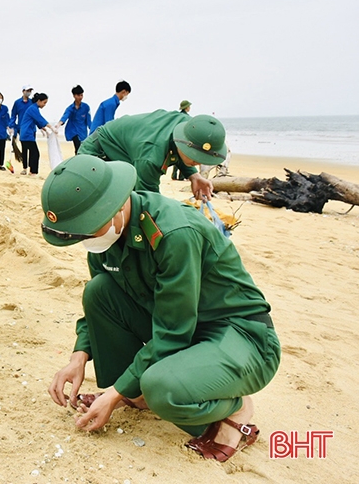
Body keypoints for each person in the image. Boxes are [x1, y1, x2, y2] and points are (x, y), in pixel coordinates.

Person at [42, 155, 280, 462]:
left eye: (86, 229)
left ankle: (235, 410)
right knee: (98, 291)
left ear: (113, 208)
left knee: (161, 389)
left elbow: (172, 332)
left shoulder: (173, 233)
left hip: (239, 336)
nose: (84, 239)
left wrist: (114, 395)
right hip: (184, 327)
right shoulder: (102, 235)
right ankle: (136, 391)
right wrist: (79, 357)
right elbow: (102, 301)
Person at [78, 110, 225, 200]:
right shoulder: (150, 157)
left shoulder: (190, 127)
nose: (198, 163)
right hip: (98, 153)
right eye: (195, 157)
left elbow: (180, 149)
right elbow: (149, 199)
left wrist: (194, 175)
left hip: (130, 154)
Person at [19, 92, 55, 176]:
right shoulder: (33, 108)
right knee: (35, 153)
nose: (45, 105)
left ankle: (31, 171)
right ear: (39, 101)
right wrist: (51, 128)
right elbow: (40, 119)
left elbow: (36, 121)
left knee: (32, 152)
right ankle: (33, 172)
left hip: (26, 134)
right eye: (44, 102)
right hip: (27, 134)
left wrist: (44, 129)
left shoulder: (34, 108)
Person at [57, 85, 90, 153]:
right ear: (74, 96)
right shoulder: (70, 108)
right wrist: (59, 124)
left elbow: (89, 121)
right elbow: (65, 116)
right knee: (78, 148)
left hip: (82, 132)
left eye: (81, 95)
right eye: (78, 95)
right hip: (73, 131)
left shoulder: (86, 107)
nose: (80, 97)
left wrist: (94, 130)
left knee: (83, 149)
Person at [172, 100, 193, 180]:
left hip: (175, 138)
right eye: (189, 106)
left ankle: (174, 175)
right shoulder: (187, 118)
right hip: (183, 140)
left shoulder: (177, 116)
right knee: (182, 158)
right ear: (187, 107)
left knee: (176, 158)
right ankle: (181, 176)